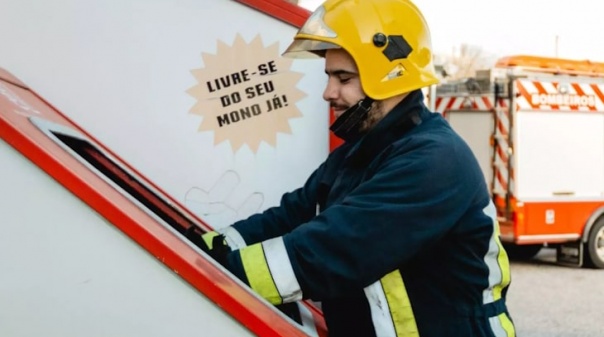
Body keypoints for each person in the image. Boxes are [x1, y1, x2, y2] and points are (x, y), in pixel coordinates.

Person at [187, 0, 516, 336]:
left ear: (390, 75)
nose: (328, 93)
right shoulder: (358, 155)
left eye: (343, 78)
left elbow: (329, 252)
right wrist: (207, 248)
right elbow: (288, 217)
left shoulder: (435, 161)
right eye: (330, 76)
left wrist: (210, 277)